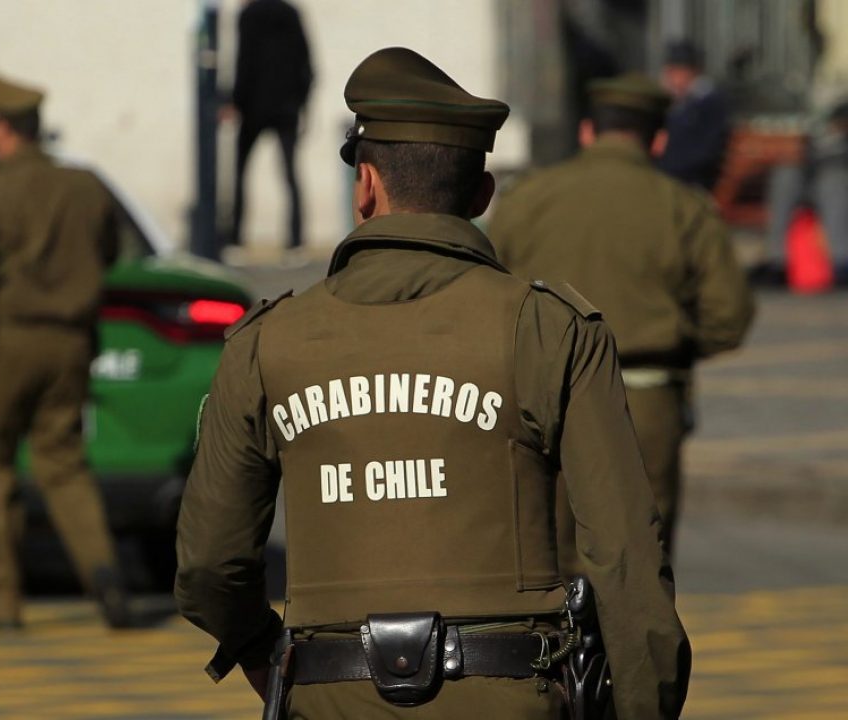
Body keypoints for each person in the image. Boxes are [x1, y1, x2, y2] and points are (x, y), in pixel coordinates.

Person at [177, 48, 690, 719]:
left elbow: (209, 566)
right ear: (480, 195)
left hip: (334, 697)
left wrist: (267, 654)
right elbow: (625, 557)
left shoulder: (266, 343)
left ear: (365, 184)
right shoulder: (548, 328)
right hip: (514, 697)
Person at [490, 73, 754, 560]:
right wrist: (671, 336)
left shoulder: (524, 199)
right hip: (645, 400)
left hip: (542, 400)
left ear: (586, 132)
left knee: (545, 563)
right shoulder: (683, 207)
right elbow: (728, 317)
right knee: (637, 565)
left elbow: (485, 295)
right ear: (659, 139)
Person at [0, 70, 131, 630]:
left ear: (2, 131)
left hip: (9, 344)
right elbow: (111, 252)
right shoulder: (85, 185)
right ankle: (104, 575)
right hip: (72, 343)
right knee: (65, 463)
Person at [224, 0, 313, 254]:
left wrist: (235, 101)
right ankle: (296, 241)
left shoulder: (248, 15)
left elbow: (244, 61)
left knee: (241, 172)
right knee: (290, 173)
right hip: (287, 107)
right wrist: (302, 104)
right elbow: (306, 63)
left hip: (254, 106)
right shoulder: (292, 13)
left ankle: (236, 239)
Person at [753, 100, 848, 286]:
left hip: (837, 184)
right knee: (786, 175)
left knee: (834, 180)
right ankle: (778, 262)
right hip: (815, 180)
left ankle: (841, 263)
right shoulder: (826, 135)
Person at [658, 40, 730, 189]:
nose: (669, 78)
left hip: (693, 180)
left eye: (674, 71)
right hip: (674, 175)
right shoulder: (677, 102)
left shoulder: (708, 103)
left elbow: (706, 152)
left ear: (691, 71)